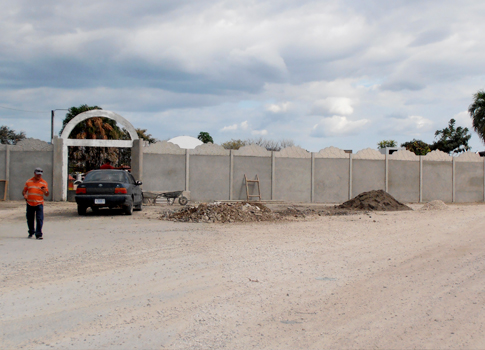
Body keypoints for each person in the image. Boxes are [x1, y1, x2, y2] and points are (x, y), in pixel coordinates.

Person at [22, 167, 49, 240]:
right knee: (30, 219)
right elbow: (24, 191)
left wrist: (45, 191)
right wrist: (25, 195)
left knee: (39, 219)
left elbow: (47, 194)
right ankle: (31, 232)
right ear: (34, 174)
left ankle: (39, 234)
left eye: (40, 175)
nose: (39, 176)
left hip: (39, 203)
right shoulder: (28, 182)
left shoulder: (44, 183)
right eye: (37, 174)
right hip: (30, 203)